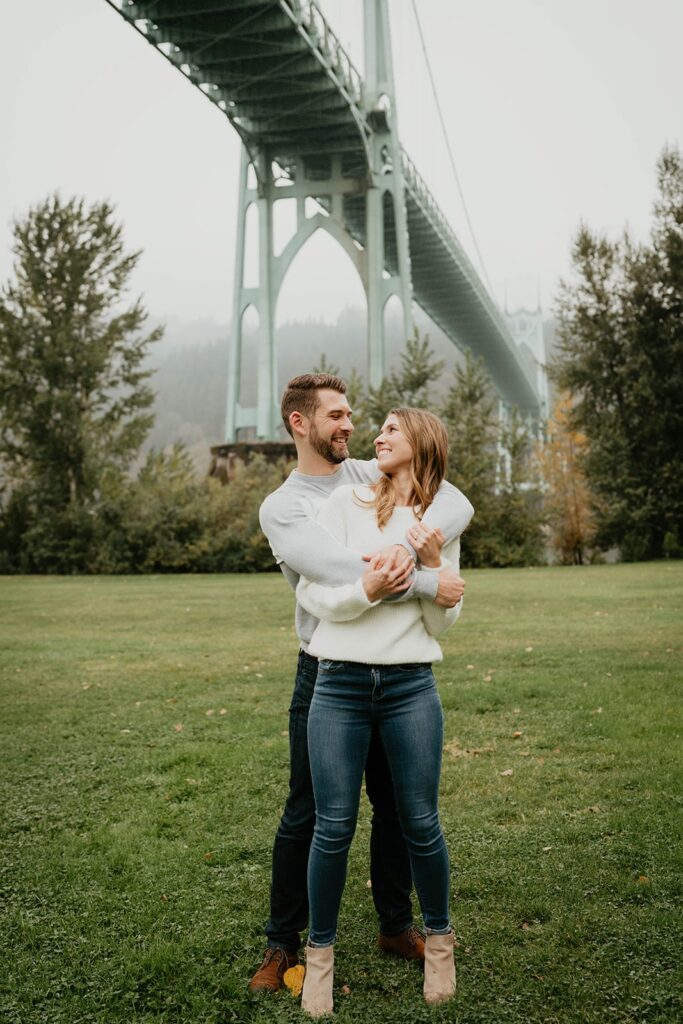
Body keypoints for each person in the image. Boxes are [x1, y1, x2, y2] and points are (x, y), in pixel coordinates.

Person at [250, 373, 473, 994]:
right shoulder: (287, 505)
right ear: (302, 423)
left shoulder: (363, 478)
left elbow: (450, 503)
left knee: (400, 809)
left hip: (400, 670)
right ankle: (282, 943)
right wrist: (428, 579)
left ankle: (396, 924)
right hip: (324, 668)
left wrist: (425, 552)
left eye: (353, 416)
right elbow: (329, 571)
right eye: (338, 416)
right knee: (310, 811)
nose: (352, 426)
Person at [297, 407, 462, 1015]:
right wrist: (367, 590)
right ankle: (319, 957)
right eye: (380, 429)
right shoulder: (342, 506)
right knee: (332, 826)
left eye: (392, 429)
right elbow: (313, 593)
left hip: (410, 687)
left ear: (419, 441)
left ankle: (439, 944)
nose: (378, 437)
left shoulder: (437, 519)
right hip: (337, 685)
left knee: (420, 821)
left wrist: (437, 564)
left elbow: (443, 613)